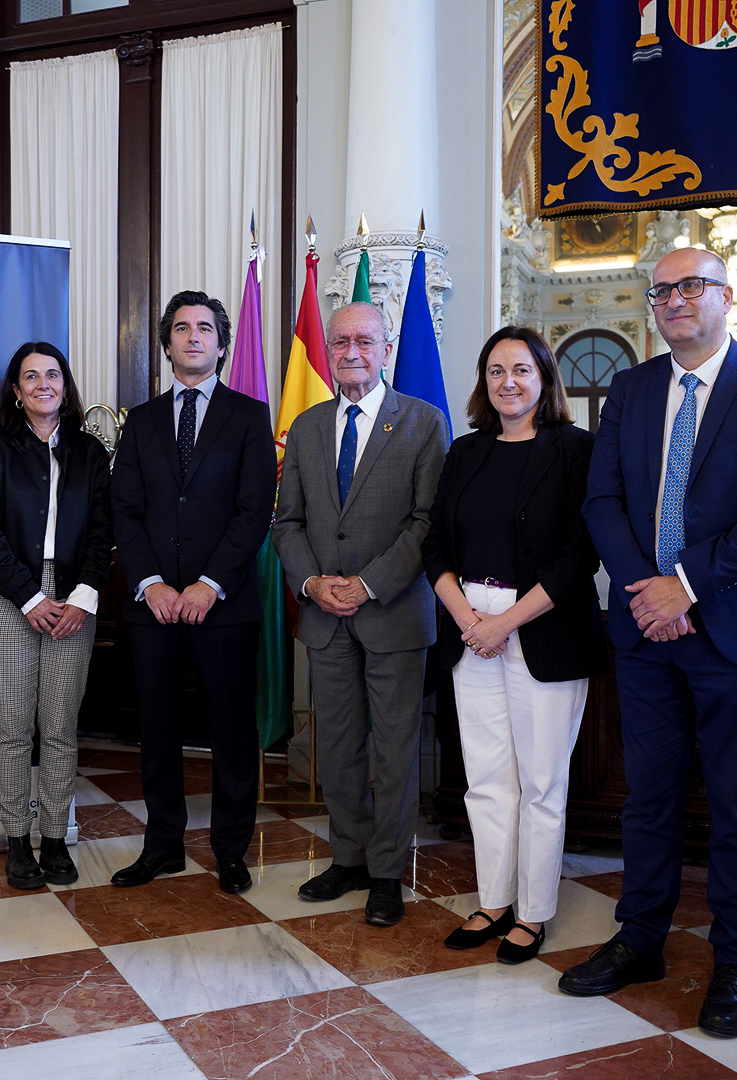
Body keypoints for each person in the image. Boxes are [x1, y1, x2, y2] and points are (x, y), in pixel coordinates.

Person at [566, 246, 737, 1039]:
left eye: (691, 286)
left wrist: (687, 584)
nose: (674, 299)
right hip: (646, 633)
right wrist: (649, 591)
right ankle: (640, 941)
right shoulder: (633, 388)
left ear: (726, 297)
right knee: (648, 800)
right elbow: (601, 500)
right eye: (662, 289)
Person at [421, 326, 604, 963]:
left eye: (522, 370)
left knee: (541, 784)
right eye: (496, 371)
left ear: (545, 379)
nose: (508, 383)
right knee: (486, 779)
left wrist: (506, 622)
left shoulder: (578, 449)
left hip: (543, 624)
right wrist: (469, 616)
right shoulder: (466, 453)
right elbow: (435, 545)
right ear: (484, 382)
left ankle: (533, 913)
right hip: (469, 620)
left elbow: (582, 554)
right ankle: (493, 900)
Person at [272, 300, 447, 927]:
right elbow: (286, 521)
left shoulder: (424, 423)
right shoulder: (309, 424)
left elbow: (428, 523)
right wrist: (314, 581)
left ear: (386, 347)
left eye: (364, 342)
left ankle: (386, 872)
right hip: (323, 614)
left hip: (393, 611)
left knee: (395, 750)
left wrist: (368, 585)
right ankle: (347, 856)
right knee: (338, 745)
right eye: (340, 341)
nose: (350, 352)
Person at [109, 290, 275, 895]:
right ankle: (163, 846)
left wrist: (208, 585)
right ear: (167, 344)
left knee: (232, 733)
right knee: (157, 730)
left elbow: (255, 511)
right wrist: (151, 584)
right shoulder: (142, 420)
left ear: (223, 345)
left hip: (224, 607)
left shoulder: (250, 415)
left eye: (205, 328)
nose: (193, 337)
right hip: (153, 609)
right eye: (181, 328)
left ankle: (231, 851)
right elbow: (124, 511)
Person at [0, 342, 113, 889]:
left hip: (74, 599)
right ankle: (17, 842)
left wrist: (81, 597)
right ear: (16, 390)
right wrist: (31, 597)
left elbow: (105, 534)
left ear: (66, 386)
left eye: (52, 375)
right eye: (30, 377)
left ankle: (54, 838)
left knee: (58, 728)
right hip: (9, 599)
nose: (42, 385)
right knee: (13, 731)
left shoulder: (91, 454)